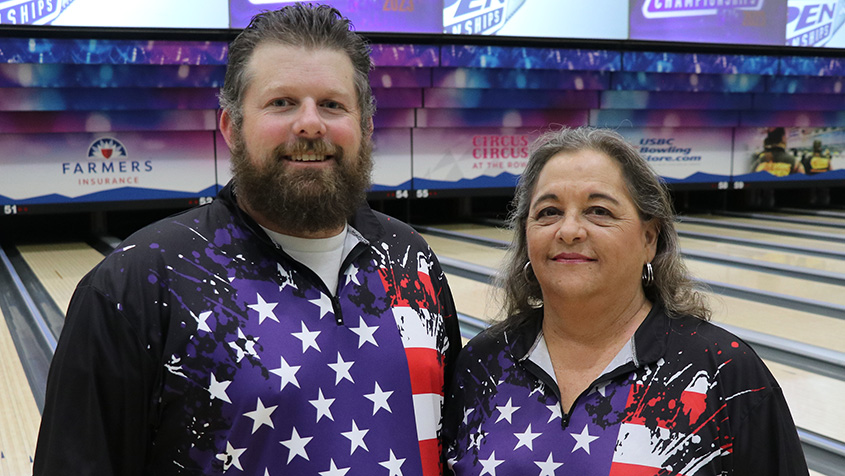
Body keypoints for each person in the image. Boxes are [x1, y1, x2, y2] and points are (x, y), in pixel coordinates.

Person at [34, 4, 461, 475]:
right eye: (282, 102)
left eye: (333, 105)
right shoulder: (136, 284)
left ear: (365, 127)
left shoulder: (409, 259)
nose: (310, 123)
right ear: (231, 129)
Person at [442, 127, 809, 475]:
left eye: (599, 211)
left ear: (649, 237)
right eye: (548, 212)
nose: (569, 230)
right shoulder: (483, 362)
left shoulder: (723, 372)